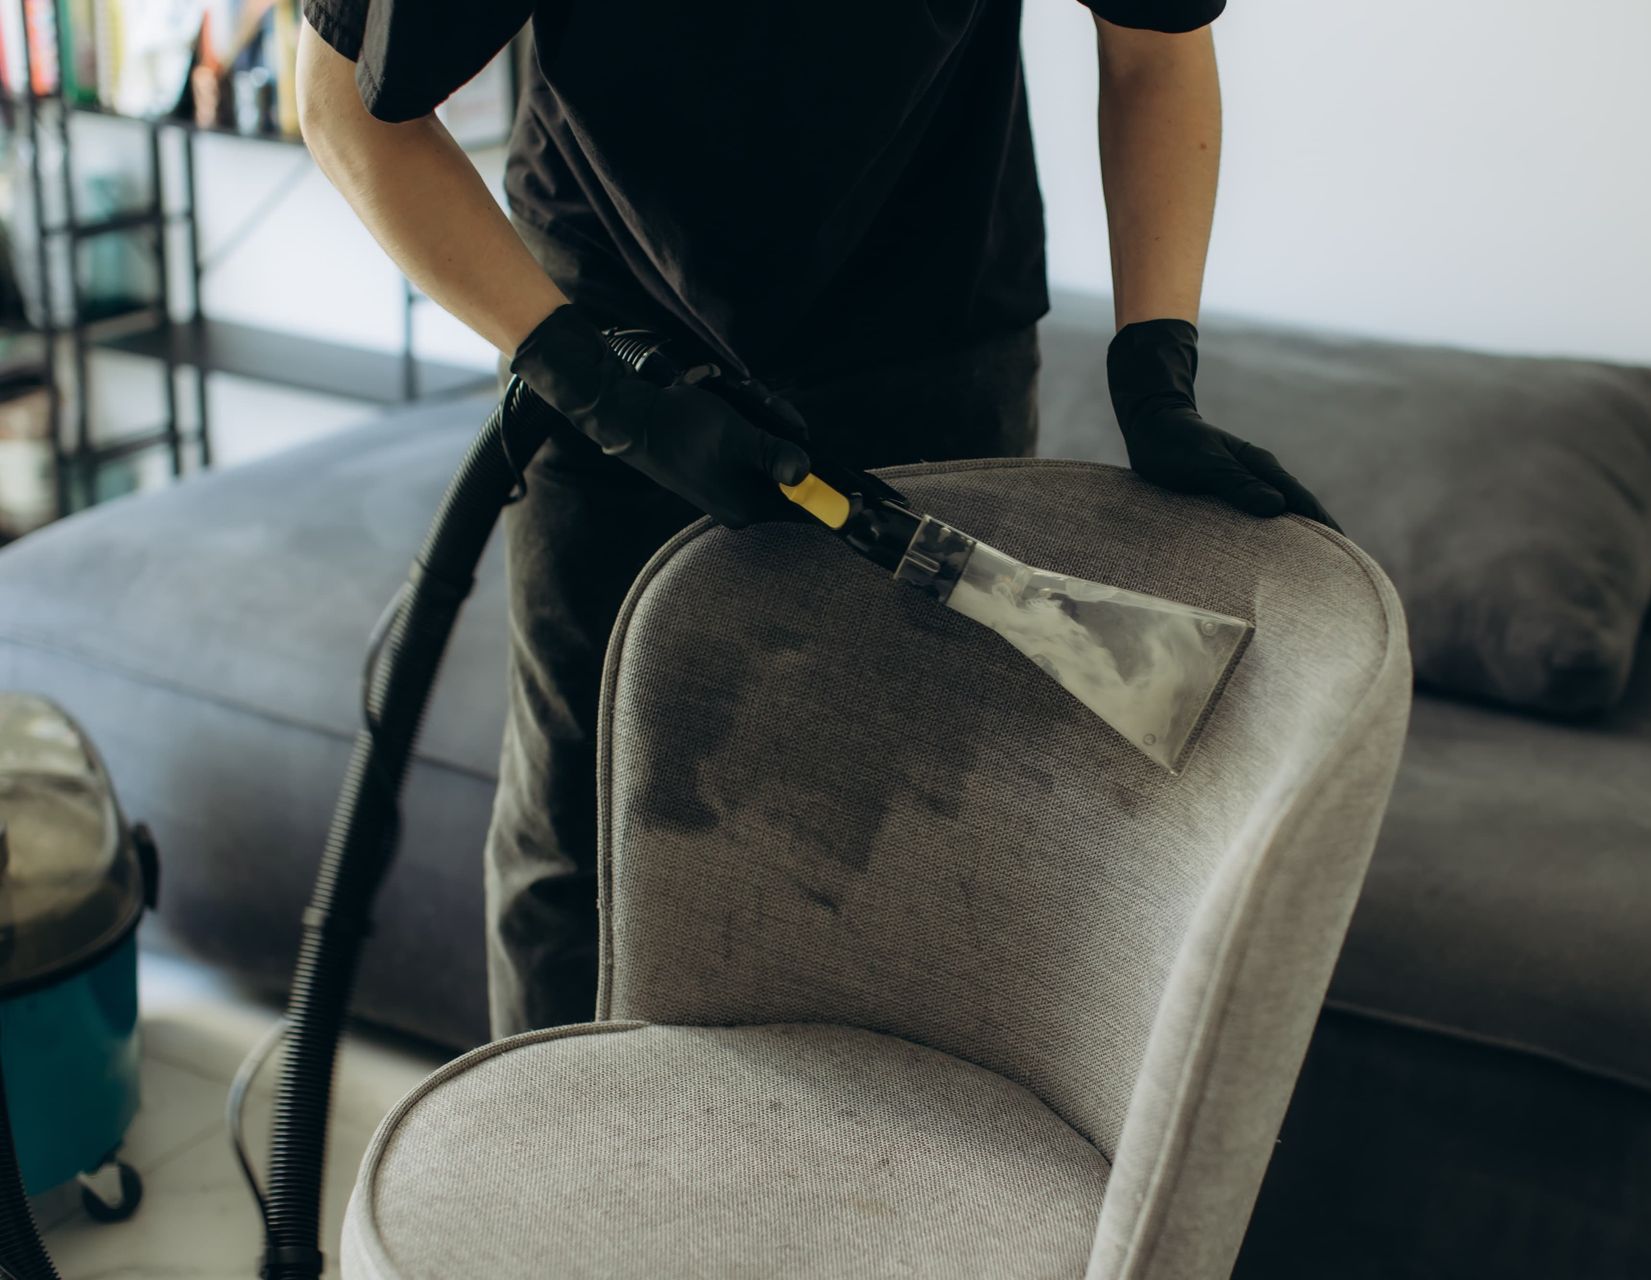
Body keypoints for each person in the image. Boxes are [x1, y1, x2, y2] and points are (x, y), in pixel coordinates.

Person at [295, 0, 1335, 1039]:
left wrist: (1156, 368)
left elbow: (1152, 53)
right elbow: (343, 108)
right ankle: (567, 1137)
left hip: (936, 348)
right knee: (590, 840)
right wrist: (602, 390)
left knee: (929, 842)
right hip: (615, 350)